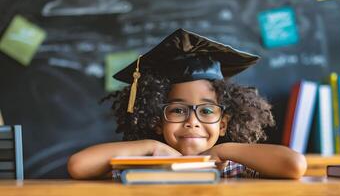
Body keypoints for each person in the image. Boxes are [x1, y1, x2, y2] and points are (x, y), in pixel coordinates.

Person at [67, 28, 307, 180]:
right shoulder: (142, 167)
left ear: (223, 124)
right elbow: (78, 166)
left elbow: (295, 165)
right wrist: (151, 147)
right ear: (157, 121)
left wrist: (223, 150)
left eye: (206, 111)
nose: (192, 122)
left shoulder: (233, 166)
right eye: (178, 110)